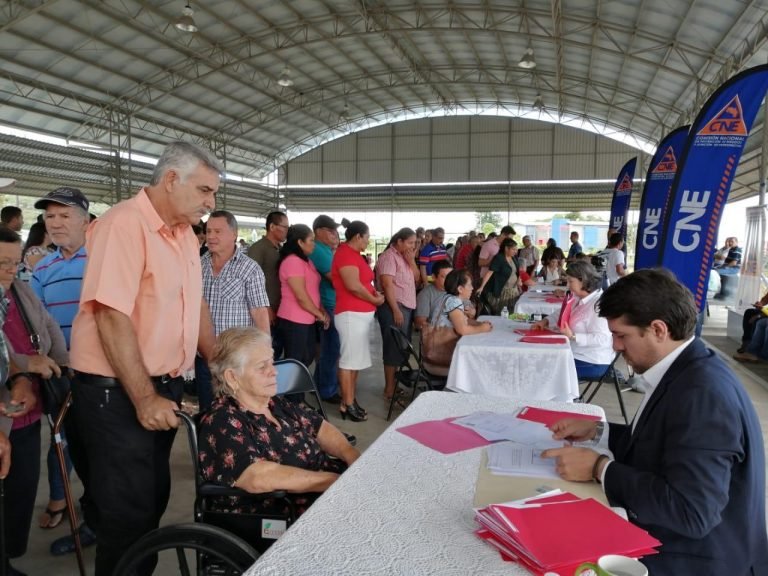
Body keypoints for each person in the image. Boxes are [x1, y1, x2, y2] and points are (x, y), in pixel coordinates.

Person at [541, 269, 768, 575]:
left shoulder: (703, 395)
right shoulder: (687, 367)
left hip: (698, 559)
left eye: (622, 336)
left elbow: (692, 513)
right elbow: (665, 444)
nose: (616, 347)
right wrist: (598, 430)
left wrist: (599, 468)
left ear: (659, 329)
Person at [69, 141, 219, 576]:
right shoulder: (124, 224)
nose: (211, 203)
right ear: (171, 180)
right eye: (205, 190)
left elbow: (197, 306)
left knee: (151, 500)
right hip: (117, 394)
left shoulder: (185, 236)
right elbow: (110, 314)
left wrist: (219, 363)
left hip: (162, 386)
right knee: (127, 515)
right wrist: (143, 399)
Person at [199, 327, 359, 517]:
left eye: (272, 363)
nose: (273, 372)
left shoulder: (275, 404)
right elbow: (258, 476)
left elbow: (320, 427)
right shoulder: (222, 420)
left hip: (326, 490)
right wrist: (330, 481)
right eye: (262, 367)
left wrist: (351, 456)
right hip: (282, 512)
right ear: (232, 377)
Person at [0, 226, 69, 575]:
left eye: (14, 262)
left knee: (21, 492)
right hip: (4, 414)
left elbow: (49, 326)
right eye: (2, 263)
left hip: (28, 415)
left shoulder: (21, 291)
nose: (11, 270)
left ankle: (7, 559)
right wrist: (28, 366)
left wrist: (63, 363)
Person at [29, 187, 94, 551]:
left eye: (64, 215)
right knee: (59, 441)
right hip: (59, 374)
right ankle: (62, 500)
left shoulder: (101, 260)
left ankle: (98, 513)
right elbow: (36, 321)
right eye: (49, 217)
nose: (55, 223)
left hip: (98, 374)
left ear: (85, 220)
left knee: (97, 448)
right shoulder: (44, 269)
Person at [198, 210, 270, 411]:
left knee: (238, 413)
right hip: (205, 356)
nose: (211, 236)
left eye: (218, 231)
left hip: (237, 359)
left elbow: (259, 312)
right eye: (209, 231)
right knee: (208, 411)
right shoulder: (198, 265)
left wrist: (265, 354)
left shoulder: (249, 269)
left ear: (234, 234)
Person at [331, 220, 384, 422]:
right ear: (358, 236)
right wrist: (373, 299)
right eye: (367, 237)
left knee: (354, 362)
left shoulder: (353, 255)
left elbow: (361, 283)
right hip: (350, 315)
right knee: (348, 361)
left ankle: (350, 399)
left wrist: (373, 295)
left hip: (359, 315)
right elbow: (352, 285)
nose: (368, 241)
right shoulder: (345, 254)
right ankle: (347, 403)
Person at [533, 261, 613, 379]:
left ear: (583, 280)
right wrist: (545, 321)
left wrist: (573, 336)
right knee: (541, 359)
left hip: (592, 360)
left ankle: (564, 397)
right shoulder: (578, 297)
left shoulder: (598, 305)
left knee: (545, 369)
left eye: (571, 281)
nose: (568, 286)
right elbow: (561, 313)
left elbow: (603, 339)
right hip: (574, 352)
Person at [376, 227, 419, 400]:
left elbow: (417, 277)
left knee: (401, 348)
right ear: (399, 241)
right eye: (410, 242)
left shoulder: (404, 257)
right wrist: (395, 309)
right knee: (393, 348)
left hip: (405, 307)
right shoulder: (389, 257)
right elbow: (387, 285)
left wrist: (412, 261)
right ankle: (388, 389)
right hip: (394, 307)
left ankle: (393, 385)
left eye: (414, 243)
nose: (412, 246)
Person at [277, 224, 328, 369]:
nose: (314, 245)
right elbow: (301, 296)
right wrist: (319, 314)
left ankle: (292, 390)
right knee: (295, 363)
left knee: (306, 357)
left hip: (308, 318)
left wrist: (321, 310)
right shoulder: (292, 261)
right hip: (294, 320)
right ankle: (290, 391)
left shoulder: (307, 260)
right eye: (311, 240)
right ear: (300, 242)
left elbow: (313, 290)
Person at [423, 269, 493, 375]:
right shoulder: (454, 301)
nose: (472, 288)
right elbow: (462, 330)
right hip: (441, 359)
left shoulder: (446, 297)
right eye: (470, 285)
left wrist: (479, 324)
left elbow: (460, 320)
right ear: (460, 288)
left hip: (434, 354)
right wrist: (483, 328)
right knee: (481, 364)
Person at [309, 215, 342, 402]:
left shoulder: (326, 250)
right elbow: (336, 279)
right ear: (318, 231)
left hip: (330, 303)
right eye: (330, 230)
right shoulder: (319, 251)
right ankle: (327, 390)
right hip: (328, 303)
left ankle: (320, 384)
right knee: (331, 348)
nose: (334, 234)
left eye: (335, 230)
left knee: (329, 348)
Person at [248, 211, 289, 358]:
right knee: (267, 351)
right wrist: (266, 307)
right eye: (285, 227)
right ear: (272, 227)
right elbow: (251, 281)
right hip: (266, 310)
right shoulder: (258, 249)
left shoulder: (279, 249)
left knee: (276, 350)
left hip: (279, 309)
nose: (287, 231)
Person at [475, 238, 521, 316]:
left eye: (516, 249)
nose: (515, 251)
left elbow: (516, 272)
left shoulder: (514, 258)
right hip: (503, 292)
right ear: (506, 248)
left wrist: (519, 281)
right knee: (503, 312)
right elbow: (489, 273)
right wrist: (482, 287)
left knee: (513, 313)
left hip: (514, 290)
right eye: (513, 249)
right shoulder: (499, 258)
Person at [415, 260, 453, 330]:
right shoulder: (425, 294)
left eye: (451, 276)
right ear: (434, 277)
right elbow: (419, 323)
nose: (449, 279)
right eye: (444, 277)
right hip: (435, 336)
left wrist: (471, 311)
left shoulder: (455, 289)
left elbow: (469, 308)